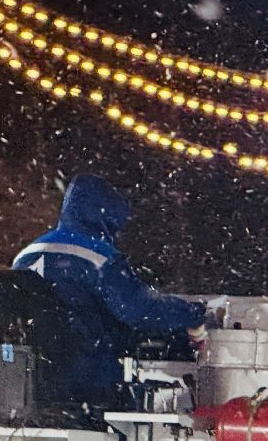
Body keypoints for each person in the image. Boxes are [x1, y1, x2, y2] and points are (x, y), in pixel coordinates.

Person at [13, 174, 205, 407]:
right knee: (160, 409)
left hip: (27, 388)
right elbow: (138, 309)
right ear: (107, 217)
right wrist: (191, 314)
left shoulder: (25, 256)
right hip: (87, 384)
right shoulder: (97, 256)